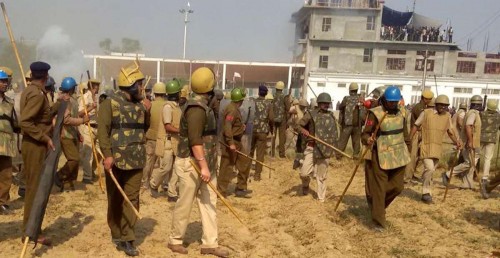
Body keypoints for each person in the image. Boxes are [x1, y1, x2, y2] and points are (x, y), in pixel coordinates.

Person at [168, 67, 229, 257]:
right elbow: (195, 140)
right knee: (185, 203)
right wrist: (203, 166)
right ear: (209, 90)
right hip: (192, 164)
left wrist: (208, 167)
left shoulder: (205, 107)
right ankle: (175, 240)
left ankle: (210, 243)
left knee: (209, 202)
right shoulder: (196, 109)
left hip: (205, 164)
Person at [98, 61, 148, 256]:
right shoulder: (109, 103)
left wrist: (147, 109)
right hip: (116, 160)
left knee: (132, 198)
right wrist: (108, 155)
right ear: (132, 85)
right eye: (140, 84)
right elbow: (103, 131)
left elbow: (145, 128)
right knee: (115, 198)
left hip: (136, 159)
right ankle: (116, 232)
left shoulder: (141, 105)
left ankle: (128, 238)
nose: (142, 88)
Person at [361, 86, 410, 231]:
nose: (392, 105)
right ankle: (378, 221)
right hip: (380, 156)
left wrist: (409, 150)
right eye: (390, 102)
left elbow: (405, 135)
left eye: (395, 102)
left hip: (399, 156)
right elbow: (365, 134)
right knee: (380, 189)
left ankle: (377, 205)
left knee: (398, 187)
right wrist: (368, 140)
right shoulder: (375, 114)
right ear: (384, 100)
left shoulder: (403, 113)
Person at [20, 61, 56, 245]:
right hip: (35, 146)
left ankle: (32, 229)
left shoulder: (30, 91)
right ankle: (31, 232)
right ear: (45, 76)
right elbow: (25, 122)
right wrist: (45, 138)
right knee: (35, 191)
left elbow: (43, 116)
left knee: (34, 189)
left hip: (32, 144)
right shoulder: (36, 95)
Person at [409, 95, 461, 203]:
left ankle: (428, 192)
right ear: (436, 104)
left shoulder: (447, 116)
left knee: (431, 172)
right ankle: (426, 192)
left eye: (445, 105)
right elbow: (416, 125)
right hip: (425, 146)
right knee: (430, 169)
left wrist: (457, 141)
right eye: (441, 105)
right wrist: (409, 140)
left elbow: (450, 131)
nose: (443, 107)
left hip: (437, 149)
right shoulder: (426, 113)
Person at [298, 92, 338, 202]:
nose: (326, 105)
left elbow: (334, 134)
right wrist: (304, 130)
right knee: (304, 173)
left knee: (322, 177)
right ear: (319, 103)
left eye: (327, 103)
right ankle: (305, 184)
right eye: (324, 103)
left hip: (325, 151)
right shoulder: (310, 114)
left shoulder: (331, 117)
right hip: (311, 148)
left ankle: (321, 199)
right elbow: (298, 125)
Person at [149, 80, 181, 202]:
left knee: (175, 169)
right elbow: (168, 126)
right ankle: (153, 183)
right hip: (167, 141)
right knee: (166, 168)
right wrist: (180, 131)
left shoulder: (176, 107)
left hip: (175, 141)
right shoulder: (167, 107)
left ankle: (172, 193)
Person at [442, 95, 483, 190]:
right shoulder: (473, 113)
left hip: (469, 141)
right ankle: (447, 174)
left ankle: (467, 183)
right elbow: (468, 126)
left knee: (473, 162)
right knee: (470, 163)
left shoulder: (471, 112)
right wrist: (470, 141)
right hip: (469, 142)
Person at [56, 77, 90, 191]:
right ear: (71, 88)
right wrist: (82, 121)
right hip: (65, 135)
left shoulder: (72, 100)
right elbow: (66, 120)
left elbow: (74, 117)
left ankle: (67, 184)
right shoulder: (65, 101)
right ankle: (59, 175)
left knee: (76, 161)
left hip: (73, 134)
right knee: (73, 159)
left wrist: (78, 133)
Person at [218, 87, 252, 198]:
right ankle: (221, 191)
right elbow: (227, 126)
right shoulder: (232, 109)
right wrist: (230, 143)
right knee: (226, 167)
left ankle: (241, 188)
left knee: (244, 162)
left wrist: (241, 127)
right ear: (240, 100)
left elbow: (233, 125)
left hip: (237, 142)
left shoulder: (234, 108)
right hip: (231, 142)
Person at [141, 82, 168, 191]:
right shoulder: (167, 106)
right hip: (163, 138)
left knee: (148, 161)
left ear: (155, 93)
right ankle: (163, 184)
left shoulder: (149, 105)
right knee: (164, 164)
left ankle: (145, 183)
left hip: (150, 137)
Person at [405, 89, 434, 183]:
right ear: (424, 98)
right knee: (412, 157)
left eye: (430, 99)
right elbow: (421, 123)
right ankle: (407, 178)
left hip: (421, 134)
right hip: (416, 133)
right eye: (428, 99)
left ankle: (413, 175)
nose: (429, 100)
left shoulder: (424, 107)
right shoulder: (419, 108)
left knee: (419, 157)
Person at [0, 70, 19, 214]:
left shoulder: (10, 102)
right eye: (1, 81)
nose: (4, 84)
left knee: (6, 174)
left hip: (6, 142)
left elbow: (15, 123)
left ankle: (3, 202)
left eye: (5, 81)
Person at [79, 79, 101, 184]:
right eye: (97, 86)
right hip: (88, 127)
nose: (98, 88)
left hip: (97, 128)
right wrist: (91, 107)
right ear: (92, 87)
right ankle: (87, 176)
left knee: (100, 152)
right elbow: (80, 113)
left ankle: (91, 171)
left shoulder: (96, 97)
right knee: (88, 153)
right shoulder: (85, 97)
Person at [250, 85, 274, 181]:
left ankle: (246, 172)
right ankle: (257, 175)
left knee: (250, 152)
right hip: (263, 131)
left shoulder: (253, 102)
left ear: (258, 92)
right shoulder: (269, 104)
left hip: (252, 130)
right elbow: (271, 118)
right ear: (266, 93)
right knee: (260, 154)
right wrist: (272, 129)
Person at [479, 99, 500, 199]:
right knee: (488, 158)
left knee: (476, 156)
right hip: (491, 139)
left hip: (480, 137)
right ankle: (485, 177)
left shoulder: (481, 114)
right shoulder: (498, 116)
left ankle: (470, 174)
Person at [338, 83, 362, 158]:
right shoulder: (361, 99)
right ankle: (356, 156)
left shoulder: (346, 98)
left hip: (347, 124)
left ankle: (339, 156)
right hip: (357, 124)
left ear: (350, 90)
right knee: (356, 142)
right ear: (357, 90)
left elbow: (340, 107)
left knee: (342, 141)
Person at [272, 81, 289, 158]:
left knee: (273, 136)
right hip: (282, 119)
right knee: (282, 137)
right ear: (282, 89)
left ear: (276, 88)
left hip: (273, 119)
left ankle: (272, 153)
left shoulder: (272, 96)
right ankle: (281, 154)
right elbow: (288, 109)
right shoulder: (285, 97)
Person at [290, 99, 308, 169]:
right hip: (301, 132)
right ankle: (298, 164)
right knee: (300, 149)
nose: (303, 107)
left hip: (302, 132)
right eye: (303, 106)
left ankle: (298, 163)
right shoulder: (297, 110)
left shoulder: (305, 113)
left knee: (300, 149)